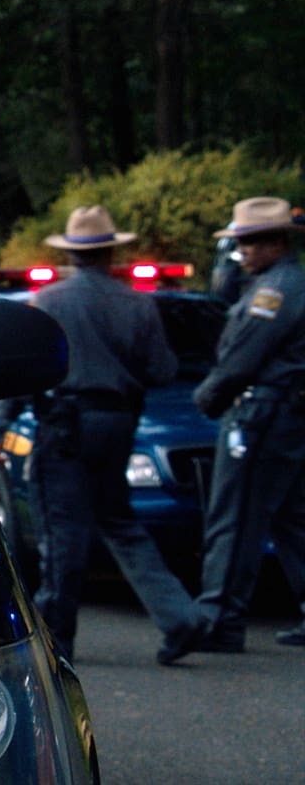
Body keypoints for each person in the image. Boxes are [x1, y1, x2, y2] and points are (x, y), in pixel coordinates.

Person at [0, 206, 207, 665]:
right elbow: (162, 370)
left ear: (72, 254)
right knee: (120, 522)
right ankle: (181, 617)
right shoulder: (138, 303)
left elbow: (26, 370)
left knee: (63, 534)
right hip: (118, 424)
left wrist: (0, 427)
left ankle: (57, 641)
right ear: (110, 253)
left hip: (65, 426)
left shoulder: (49, 302)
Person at [192, 196, 305, 652]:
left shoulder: (274, 292)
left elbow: (243, 355)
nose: (243, 252)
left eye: (251, 243)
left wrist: (208, 395)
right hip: (284, 413)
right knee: (293, 518)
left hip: (261, 413)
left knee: (236, 517)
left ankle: (220, 619)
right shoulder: (281, 284)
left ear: (277, 243)